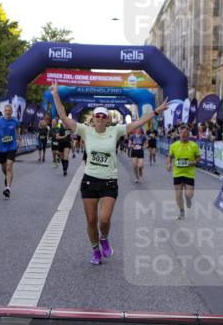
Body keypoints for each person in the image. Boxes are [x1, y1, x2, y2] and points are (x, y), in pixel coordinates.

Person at [51, 85, 169, 265]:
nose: (99, 119)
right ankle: (95, 250)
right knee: (91, 220)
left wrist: (155, 111)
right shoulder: (85, 130)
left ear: (107, 120)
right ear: (93, 119)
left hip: (109, 181)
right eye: (97, 116)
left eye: (103, 116)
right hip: (90, 180)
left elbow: (139, 123)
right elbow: (62, 116)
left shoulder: (116, 130)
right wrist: (55, 95)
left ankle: (104, 238)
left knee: (104, 220)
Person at [166, 123, 201, 220]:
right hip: (178, 173)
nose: (183, 134)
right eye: (181, 132)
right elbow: (169, 156)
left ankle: (188, 199)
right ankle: (182, 211)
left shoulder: (193, 145)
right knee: (178, 195)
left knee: (189, 194)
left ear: (188, 134)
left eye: (185, 132)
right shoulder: (174, 145)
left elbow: (198, 157)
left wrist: (194, 162)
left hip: (189, 173)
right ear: (179, 134)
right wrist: (168, 164)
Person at [0, 103, 20, 197]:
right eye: (6, 110)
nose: (7, 112)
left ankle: (7, 188)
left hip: (12, 146)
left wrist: (19, 138)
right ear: (4, 111)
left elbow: (17, 128)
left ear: (12, 112)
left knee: (9, 167)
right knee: (4, 167)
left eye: (9, 111)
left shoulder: (15, 120)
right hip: (2, 147)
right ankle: (7, 176)